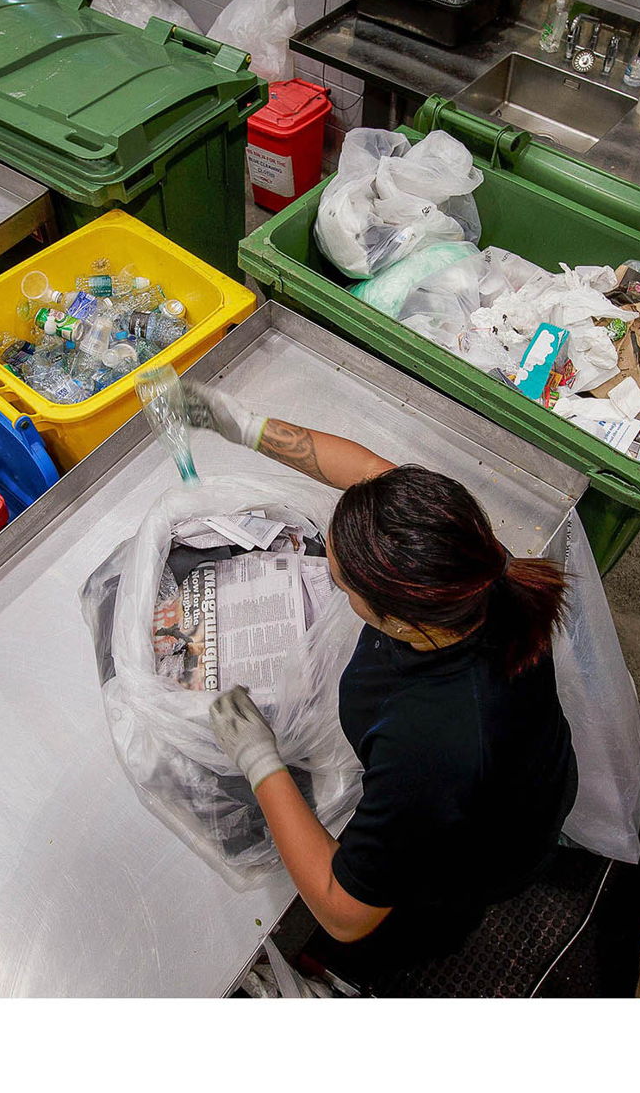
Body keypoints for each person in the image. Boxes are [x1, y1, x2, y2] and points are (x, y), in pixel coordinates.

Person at [185, 383, 579, 967]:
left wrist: (258, 761)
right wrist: (246, 427)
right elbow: (368, 474)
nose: (330, 576)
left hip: (472, 851)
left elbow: (345, 913)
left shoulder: (434, 746)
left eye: (341, 584)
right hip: (518, 772)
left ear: (395, 616)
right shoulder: (465, 561)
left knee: (404, 943)